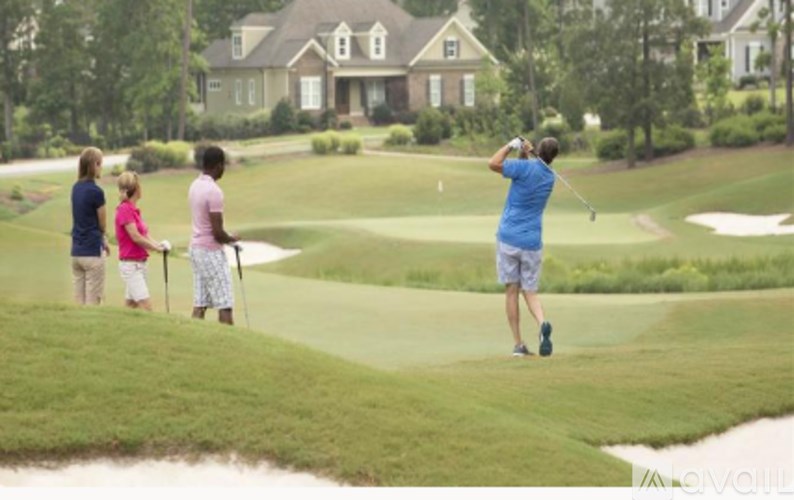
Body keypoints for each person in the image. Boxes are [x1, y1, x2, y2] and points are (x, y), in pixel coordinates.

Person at [488, 137, 559, 357]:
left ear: (537, 150)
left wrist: (511, 145)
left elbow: (493, 163)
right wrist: (529, 154)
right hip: (532, 243)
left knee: (511, 291)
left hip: (509, 238)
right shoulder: (550, 177)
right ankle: (542, 323)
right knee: (530, 291)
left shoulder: (523, 168)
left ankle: (518, 344)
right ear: (555, 156)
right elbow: (530, 172)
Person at [188, 145, 239, 325]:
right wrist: (232, 239)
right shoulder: (214, 191)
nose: (224, 169)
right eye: (223, 165)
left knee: (200, 303)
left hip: (195, 250)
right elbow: (217, 233)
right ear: (218, 166)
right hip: (210, 252)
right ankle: (228, 345)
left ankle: (194, 339)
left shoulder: (194, 185)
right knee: (225, 304)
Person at [114, 171, 170, 311]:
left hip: (140, 264)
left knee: (131, 306)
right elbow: (135, 237)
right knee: (146, 306)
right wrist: (156, 249)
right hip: (131, 266)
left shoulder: (133, 210)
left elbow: (144, 235)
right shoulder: (124, 209)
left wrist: (159, 245)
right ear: (135, 189)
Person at [71, 147, 110, 305]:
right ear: (95, 164)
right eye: (100, 164)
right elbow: (102, 224)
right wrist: (104, 239)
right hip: (92, 251)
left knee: (79, 302)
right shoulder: (96, 192)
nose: (101, 167)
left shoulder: (75, 188)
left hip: (76, 252)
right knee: (93, 303)